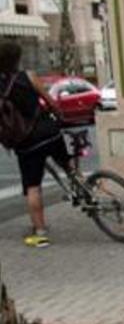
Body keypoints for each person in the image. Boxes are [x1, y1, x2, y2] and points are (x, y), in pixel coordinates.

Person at [0, 41, 69, 248]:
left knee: (33, 187)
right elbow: (50, 101)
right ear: (17, 59)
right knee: (67, 163)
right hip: (48, 131)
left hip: (26, 143)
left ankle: (40, 233)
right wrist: (59, 115)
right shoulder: (28, 76)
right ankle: (85, 191)